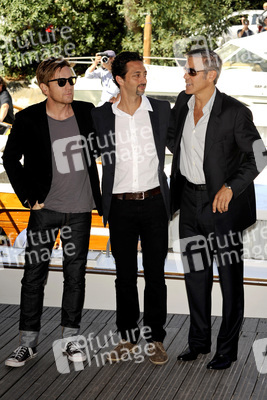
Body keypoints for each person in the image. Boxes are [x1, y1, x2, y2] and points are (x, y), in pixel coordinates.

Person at [168, 48, 266, 370]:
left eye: (191, 71)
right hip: (189, 207)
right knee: (195, 277)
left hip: (222, 211)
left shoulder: (235, 112)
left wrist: (230, 187)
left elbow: (259, 156)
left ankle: (227, 349)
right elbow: (172, 140)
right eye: (186, 70)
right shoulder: (182, 104)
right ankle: (198, 343)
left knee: (228, 280)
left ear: (211, 75)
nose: (185, 75)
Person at [3, 57, 102, 367]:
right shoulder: (29, 118)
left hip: (81, 210)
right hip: (45, 210)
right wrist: (29, 197)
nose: (70, 85)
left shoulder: (88, 112)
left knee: (75, 277)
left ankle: (71, 341)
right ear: (45, 87)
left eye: (72, 80)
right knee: (33, 277)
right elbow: (10, 159)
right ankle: (27, 344)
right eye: (62, 81)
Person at [91, 51, 170, 365]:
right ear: (119, 80)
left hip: (154, 205)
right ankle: (126, 338)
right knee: (124, 277)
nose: (143, 79)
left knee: (155, 276)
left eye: (144, 74)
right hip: (120, 208)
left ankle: (155, 340)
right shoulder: (101, 117)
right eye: (137, 74)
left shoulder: (162, 111)